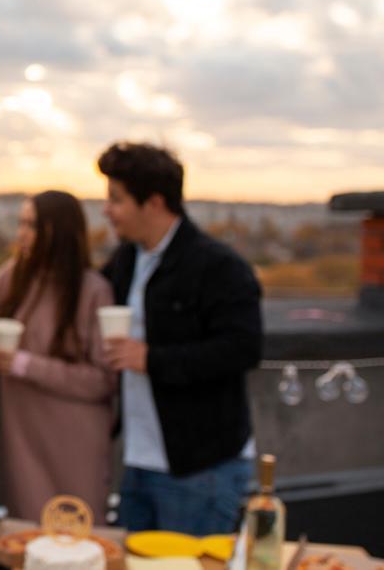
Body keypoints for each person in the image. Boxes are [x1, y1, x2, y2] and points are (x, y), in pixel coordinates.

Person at [96, 142, 263, 535]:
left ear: (153, 203)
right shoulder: (127, 260)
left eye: (116, 199)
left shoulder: (218, 266)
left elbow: (243, 349)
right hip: (138, 460)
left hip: (202, 468)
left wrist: (151, 360)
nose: (106, 210)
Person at [0, 190, 116, 523]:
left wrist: (25, 364)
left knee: (77, 534)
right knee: (28, 535)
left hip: (76, 441)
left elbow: (102, 381)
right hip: (25, 439)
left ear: (59, 231)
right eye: (21, 223)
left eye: (31, 225)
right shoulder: (14, 275)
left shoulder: (93, 290)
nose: (21, 234)